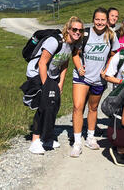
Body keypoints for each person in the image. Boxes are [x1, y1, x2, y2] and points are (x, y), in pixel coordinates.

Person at [26, 17, 83, 154]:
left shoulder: (72, 45)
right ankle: (35, 141)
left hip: (52, 76)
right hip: (37, 73)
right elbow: (42, 63)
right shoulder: (54, 41)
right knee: (43, 105)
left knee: (53, 105)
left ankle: (47, 137)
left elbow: (64, 63)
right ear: (68, 29)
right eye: (74, 29)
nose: (77, 32)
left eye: (80, 30)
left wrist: (61, 83)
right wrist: (46, 86)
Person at [71, 7, 120, 157]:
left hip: (99, 79)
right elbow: (75, 53)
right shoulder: (84, 34)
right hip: (82, 77)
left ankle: (90, 137)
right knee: (78, 107)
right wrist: (79, 67)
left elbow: (113, 53)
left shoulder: (111, 35)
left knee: (93, 108)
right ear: (93, 20)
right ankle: (77, 142)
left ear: (107, 21)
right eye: (97, 19)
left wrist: (107, 68)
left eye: (102, 20)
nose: (99, 22)